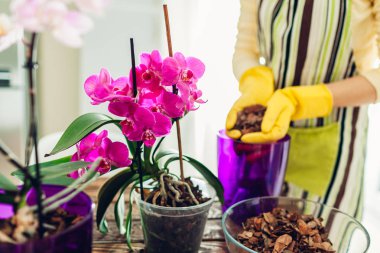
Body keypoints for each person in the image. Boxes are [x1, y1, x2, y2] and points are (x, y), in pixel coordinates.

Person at [226, 0, 380, 219]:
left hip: (336, 146)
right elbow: (245, 48)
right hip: (265, 139)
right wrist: (254, 82)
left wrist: (307, 100)